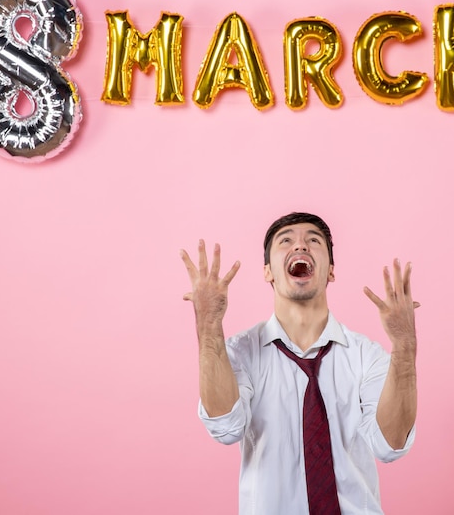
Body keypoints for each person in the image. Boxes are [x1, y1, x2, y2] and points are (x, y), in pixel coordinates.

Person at [180, 212, 419, 515]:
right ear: (268, 271)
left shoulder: (366, 356)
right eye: (286, 240)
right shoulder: (241, 352)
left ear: (331, 271)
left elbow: (390, 445)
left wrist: (405, 348)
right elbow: (225, 427)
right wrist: (209, 326)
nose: (301, 246)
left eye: (313, 240)